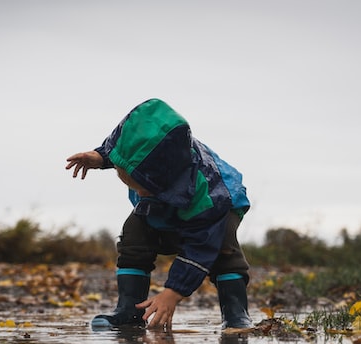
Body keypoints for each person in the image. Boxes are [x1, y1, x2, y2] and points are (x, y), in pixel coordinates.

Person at [65, 98, 252, 330]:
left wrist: (172, 293)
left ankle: (236, 314)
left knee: (224, 250)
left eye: (143, 185)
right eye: (129, 180)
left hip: (220, 207)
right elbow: (127, 148)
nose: (140, 193)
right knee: (134, 233)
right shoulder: (144, 158)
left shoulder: (208, 198)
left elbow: (200, 246)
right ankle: (129, 311)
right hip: (165, 201)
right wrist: (102, 157)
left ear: (162, 175)